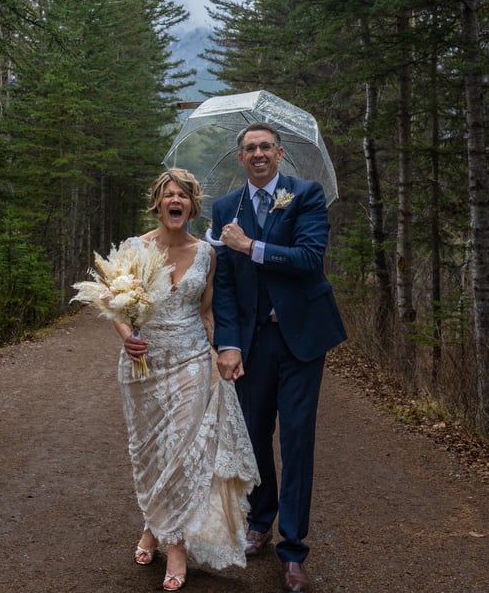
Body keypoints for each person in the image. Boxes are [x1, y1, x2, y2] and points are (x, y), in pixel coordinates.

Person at [211, 123, 346, 593]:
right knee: (253, 436)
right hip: (252, 341)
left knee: (296, 439)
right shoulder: (225, 210)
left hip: (301, 338)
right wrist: (226, 343)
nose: (259, 153)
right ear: (240, 158)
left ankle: (294, 549)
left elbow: (310, 257)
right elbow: (223, 286)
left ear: (280, 153)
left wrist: (251, 246)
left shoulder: (306, 195)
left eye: (266, 146)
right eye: (250, 148)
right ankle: (260, 520)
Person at [115, 168, 260, 592]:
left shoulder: (206, 254)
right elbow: (116, 306)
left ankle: (174, 545)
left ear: (192, 206)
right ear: (158, 203)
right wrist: (128, 338)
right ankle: (151, 527)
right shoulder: (132, 248)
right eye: (168, 195)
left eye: (182, 195)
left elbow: (206, 313)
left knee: (182, 450)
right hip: (143, 366)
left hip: (192, 361)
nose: (175, 201)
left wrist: (226, 351)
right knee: (151, 455)